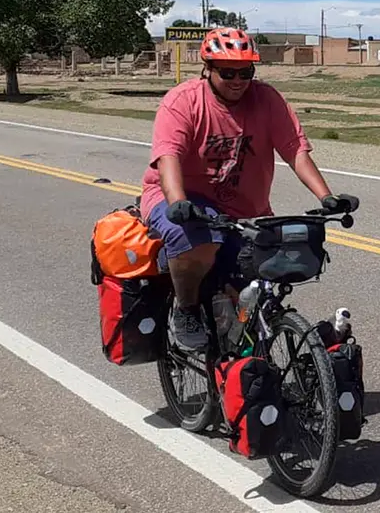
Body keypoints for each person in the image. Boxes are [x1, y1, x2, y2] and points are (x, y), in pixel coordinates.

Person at [139, 27, 358, 351]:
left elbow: (295, 149)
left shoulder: (266, 100)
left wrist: (326, 196)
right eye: (228, 72)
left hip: (243, 209)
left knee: (261, 282)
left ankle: (245, 359)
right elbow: (168, 156)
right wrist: (178, 201)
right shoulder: (183, 102)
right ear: (207, 69)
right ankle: (185, 310)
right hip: (180, 199)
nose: (238, 80)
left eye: (246, 72)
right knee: (194, 236)